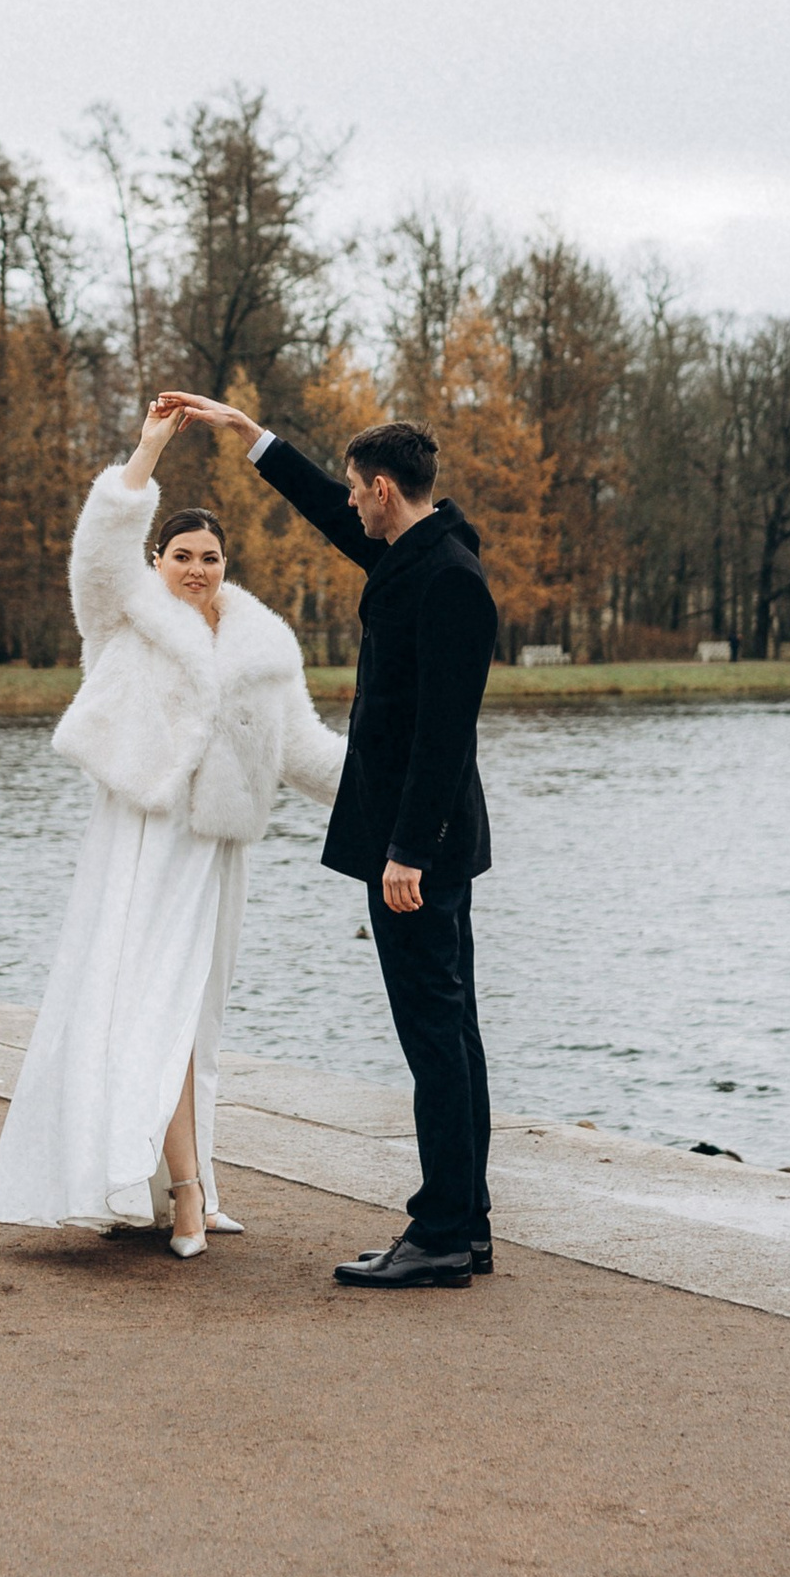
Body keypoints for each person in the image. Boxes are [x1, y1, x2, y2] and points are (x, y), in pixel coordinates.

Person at [0, 398, 344, 1254]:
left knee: (198, 1023)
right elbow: (99, 556)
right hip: (141, 847)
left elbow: (306, 754)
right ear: (158, 559)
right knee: (152, 1015)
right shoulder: (124, 620)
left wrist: (406, 794)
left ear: (227, 564)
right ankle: (178, 1192)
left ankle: (195, 1184)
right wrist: (146, 452)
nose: (198, 569)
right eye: (182, 555)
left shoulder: (262, 650)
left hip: (215, 855)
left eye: (211, 557)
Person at [167, 398, 498, 1291]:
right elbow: (322, 507)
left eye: (358, 493)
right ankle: (464, 1224)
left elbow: (445, 736)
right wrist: (251, 437)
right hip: (416, 841)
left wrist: (410, 853)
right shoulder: (416, 555)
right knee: (450, 1028)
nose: (350, 505)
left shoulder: (450, 581)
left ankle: (439, 1234)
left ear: (385, 490)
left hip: (417, 850)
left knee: (437, 1033)